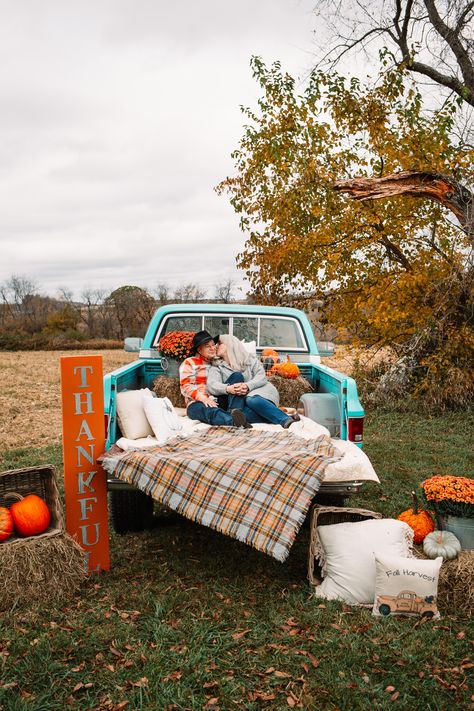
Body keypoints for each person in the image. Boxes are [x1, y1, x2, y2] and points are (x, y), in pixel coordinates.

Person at [207, 334, 300, 428]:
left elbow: (261, 376)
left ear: (229, 344)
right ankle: (283, 416)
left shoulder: (249, 359)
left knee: (251, 400)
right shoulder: (217, 366)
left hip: (262, 391)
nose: (216, 346)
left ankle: (285, 420)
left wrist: (248, 386)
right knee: (242, 414)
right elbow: (212, 385)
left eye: (219, 343)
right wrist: (228, 388)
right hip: (239, 404)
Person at [179, 330, 251, 428]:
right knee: (208, 411)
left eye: (214, 345)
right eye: (208, 346)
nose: (213, 348)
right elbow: (186, 387)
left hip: (218, 399)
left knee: (237, 376)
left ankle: (235, 411)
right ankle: (234, 421)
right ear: (199, 350)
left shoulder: (217, 362)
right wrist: (204, 398)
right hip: (197, 402)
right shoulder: (189, 362)